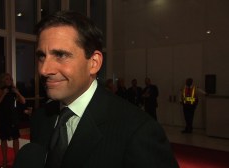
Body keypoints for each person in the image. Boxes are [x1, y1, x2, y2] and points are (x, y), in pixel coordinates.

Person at [22, 11, 179, 168]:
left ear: (94, 63)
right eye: (42, 56)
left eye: (61, 55)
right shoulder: (41, 118)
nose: (44, 70)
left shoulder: (138, 131)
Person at [0, 73, 26, 168]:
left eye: (10, 79)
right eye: (7, 79)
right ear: (2, 80)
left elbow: (23, 101)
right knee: (3, 139)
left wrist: (17, 93)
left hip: (13, 117)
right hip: (3, 118)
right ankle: (4, 160)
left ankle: (17, 158)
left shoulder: (14, 90)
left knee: (16, 138)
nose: (10, 80)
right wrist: (3, 94)